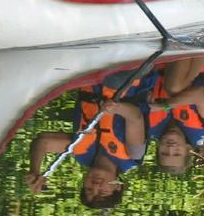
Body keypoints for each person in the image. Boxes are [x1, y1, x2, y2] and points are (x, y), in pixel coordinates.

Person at [24, 76, 152, 209]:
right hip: (126, 81)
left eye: (89, 190)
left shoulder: (79, 152)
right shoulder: (133, 155)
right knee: (114, 81)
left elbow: (42, 142)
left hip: (89, 79)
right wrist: (117, 108)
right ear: (118, 185)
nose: (96, 185)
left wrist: (34, 170)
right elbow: (135, 117)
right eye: (103, 191)